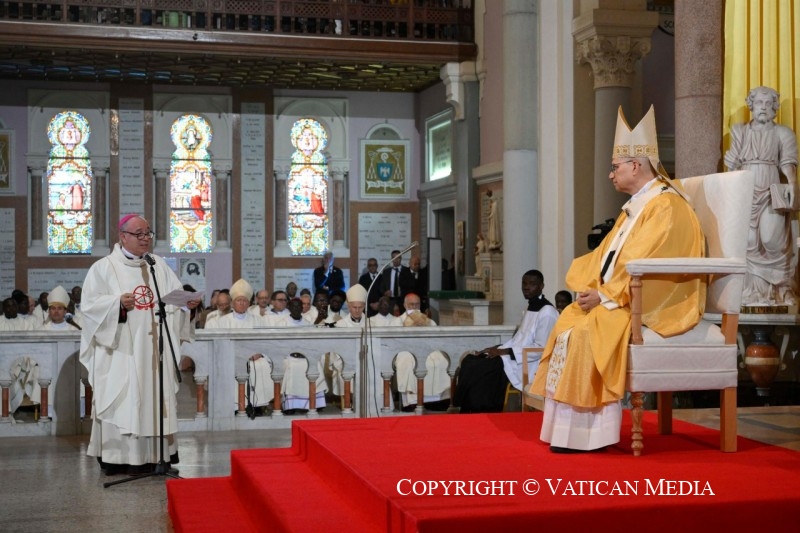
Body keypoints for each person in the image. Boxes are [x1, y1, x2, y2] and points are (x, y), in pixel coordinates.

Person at [531, 106, 706, 453]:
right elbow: (608, 259)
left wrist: (607, 297)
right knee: (568, 320)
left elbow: (653, 261)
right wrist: (593, 288)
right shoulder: (637, 207)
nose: (611, 175)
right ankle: (566, 431)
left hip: (656, 301)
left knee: (586, 332)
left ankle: (589, 436)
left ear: (636, 165)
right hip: (623, 295)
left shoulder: (666, 207)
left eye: (615, 167)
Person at [79, 214, 200, 475]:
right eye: (139, 234)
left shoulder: (158, 265)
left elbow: (172, 299)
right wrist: (116, 305)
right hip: (122, 350)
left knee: (155, 397)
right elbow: (89, 309)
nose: (145, 239)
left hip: (155, 350)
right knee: (125, 398)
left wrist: (185, 305)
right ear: (123, 236)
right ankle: (119, 457)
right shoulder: (103, 268)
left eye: (148, 233)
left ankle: (157, 456)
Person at [724, 86, 798, 305]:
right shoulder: (740, 131)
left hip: (770, 191)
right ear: (751, 106)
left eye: (768, 103)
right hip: (745, 189)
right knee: (747, 242)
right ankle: (751, 292)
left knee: (771, 239)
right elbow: (732, 164)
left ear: (775, 107)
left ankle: (782, 287)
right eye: (759, 103)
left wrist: (793, 183)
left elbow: (788, 162)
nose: (763, 108)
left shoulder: (783, 133)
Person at [455, 270, 558, 413]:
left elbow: (541, 348)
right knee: (471, 360)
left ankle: (478, 411)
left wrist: (504, 352)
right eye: (524, 283)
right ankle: (464, 408)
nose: (526, 287)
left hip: (527, 364)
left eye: (532, 284)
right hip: (513, 356)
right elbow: (519, 339)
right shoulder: (531, 306)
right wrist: (495, 348)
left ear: (541, 286)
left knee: (479, 369)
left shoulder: (547, 312)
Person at [393, 293, 450, 411]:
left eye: (417, 304)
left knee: (441, 361)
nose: (414, 307)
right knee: (409, 363)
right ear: (404, 305)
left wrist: (424, 326)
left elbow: (436, 340)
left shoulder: (429, 321)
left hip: (428, 349)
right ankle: (412, 402)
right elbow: (395, 342)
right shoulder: (397, 322)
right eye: (411, 304)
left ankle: (437, 400)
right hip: (406, 350)